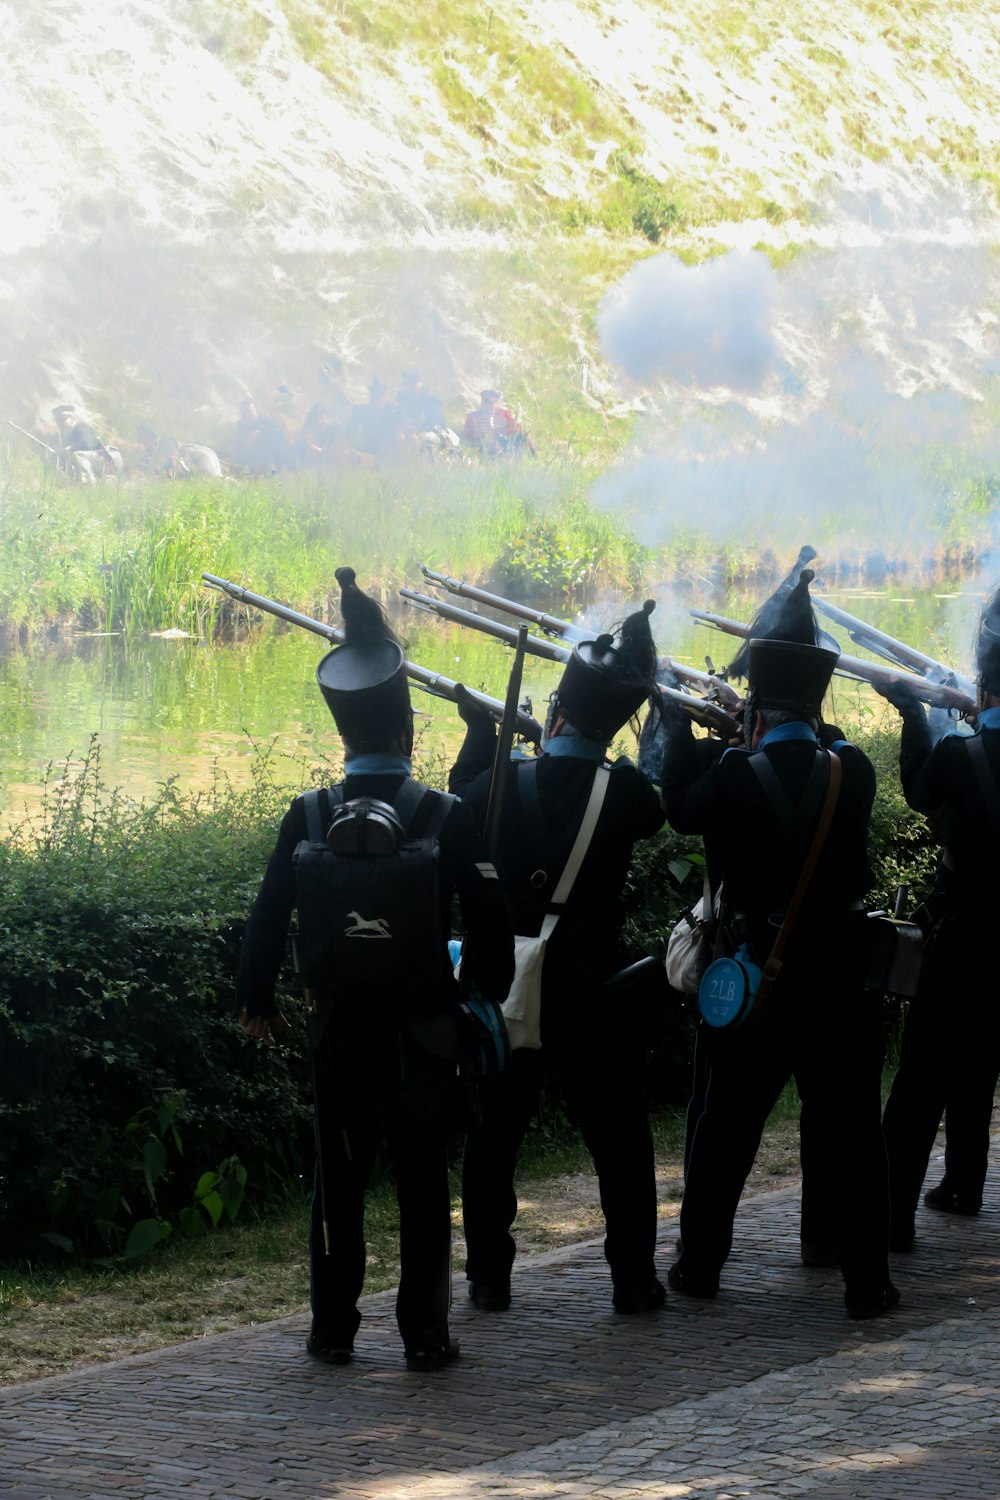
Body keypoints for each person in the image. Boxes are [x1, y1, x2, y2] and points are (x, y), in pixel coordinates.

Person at [235, 568, 514, 1372]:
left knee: (339, 1187)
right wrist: (479, 998)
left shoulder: (309, 814)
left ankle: (331, 1334)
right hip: (426, 1032)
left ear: (344, 737)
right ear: (409, 733)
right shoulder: (446, 814)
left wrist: (255, 997)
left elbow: (266, 917)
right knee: (424, 1189)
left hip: (337, 1033)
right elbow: (491, 929)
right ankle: (426, 1337)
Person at [660, 573, 897, 1319]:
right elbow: (816, 751)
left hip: (754, 975)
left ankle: (699, 1268)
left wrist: (695, 728)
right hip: (839, 979)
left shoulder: (732, 772)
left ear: (756, 708)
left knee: (724, 1132)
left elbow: (677, 807)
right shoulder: (849, 769)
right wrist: (756, 726)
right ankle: (868, 1282)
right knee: (855, 1133)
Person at [450, 602, 667, 1315]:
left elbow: (464, 806)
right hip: (592, 991)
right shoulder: (628, 793)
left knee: (492, 1140)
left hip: (510, 988)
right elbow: (658, 789)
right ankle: (633, 1280)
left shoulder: (498, 783)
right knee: (621, 1147)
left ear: (558, 716)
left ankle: (488, 1279)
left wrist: (481, 740)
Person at [878, 585, 1000, 1246]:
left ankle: (892, 1218)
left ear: (982, 689)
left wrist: (911, 714)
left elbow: (920, 791)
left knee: (921, 1078)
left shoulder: (961, 752)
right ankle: (964, 1184)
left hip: (960, 938)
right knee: (980, 1063)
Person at [461, 389, 536, 458]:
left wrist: (533, 452)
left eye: (491, 402)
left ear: (496, 403)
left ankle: (532, 456)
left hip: (502, 447)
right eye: (485, 401)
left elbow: (519, 431)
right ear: (482, 402)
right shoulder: (473, 416)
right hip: (482, 449)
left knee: (521, 435)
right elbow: (466, 437)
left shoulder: (504, 414)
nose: (488, 405)